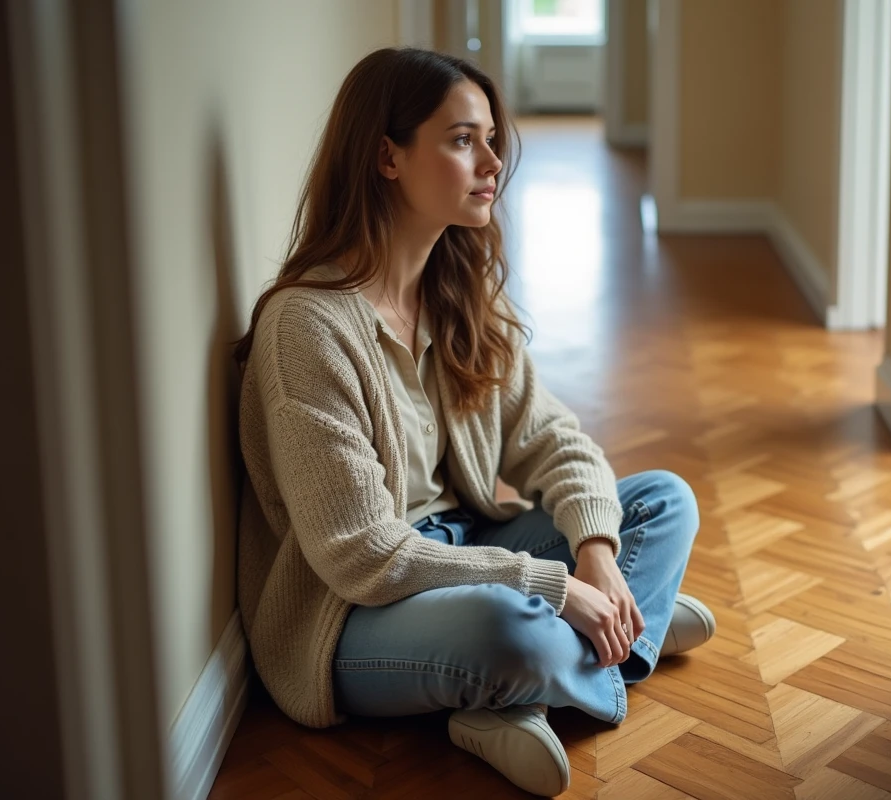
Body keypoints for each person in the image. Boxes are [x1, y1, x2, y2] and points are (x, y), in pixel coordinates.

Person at [232, 47, 715, 797]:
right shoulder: (307, 327)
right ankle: (623, 638)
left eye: (491, 137)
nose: (494, 160)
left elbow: (554, 439)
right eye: (463, 140)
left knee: (664, 500)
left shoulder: (459, 294)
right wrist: (555, 589)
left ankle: (530, 687)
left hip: (465, 541)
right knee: (504, 629)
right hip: (352, 611)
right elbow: (362, 556)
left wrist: (593, 554)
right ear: (387, 158)